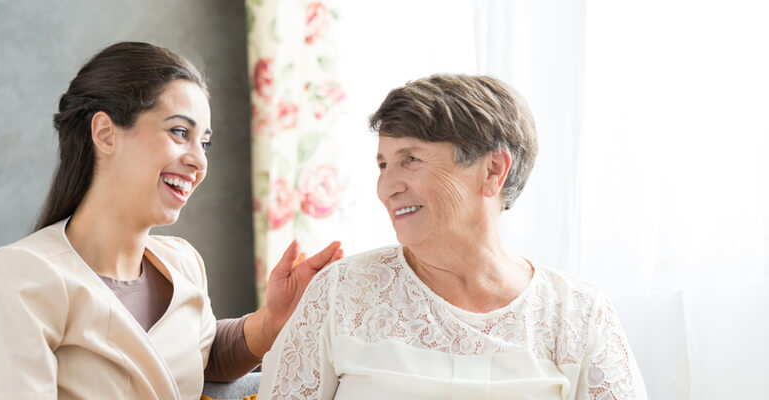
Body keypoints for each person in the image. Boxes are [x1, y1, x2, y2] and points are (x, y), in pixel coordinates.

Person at [0, 42, 342, 400]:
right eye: (179, 132)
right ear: (105, 133)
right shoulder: (18, 279)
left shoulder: (183, 263)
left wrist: (270, 323)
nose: (199, 161)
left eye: (203, 142)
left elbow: (199, 358)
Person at [257, 74, 647, 399]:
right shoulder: (341, 294)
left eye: (411, 159)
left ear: (494, 169)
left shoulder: (578, 314)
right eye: (383, 164)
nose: (386, 187)